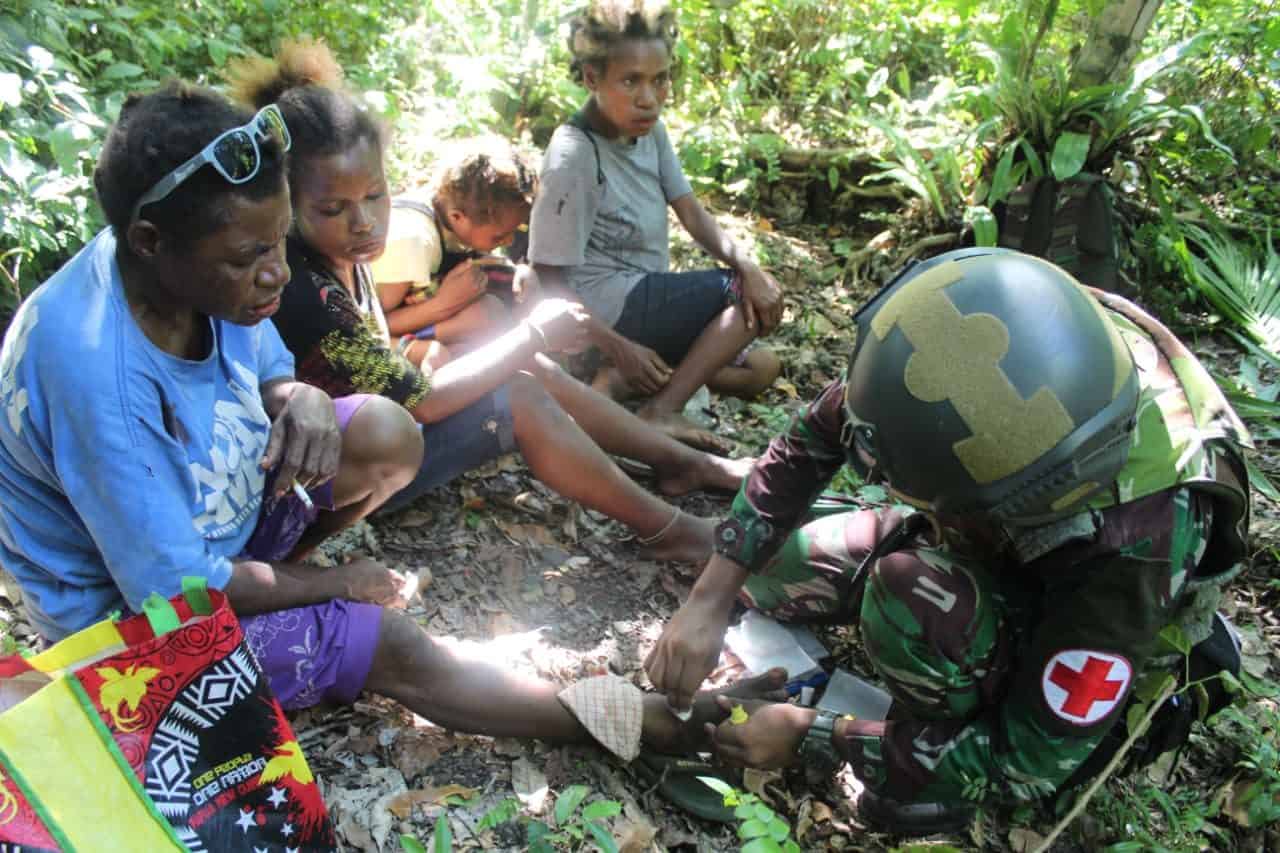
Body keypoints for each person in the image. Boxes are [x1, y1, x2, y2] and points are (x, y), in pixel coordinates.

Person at [0, 81, 777, 771]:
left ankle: (672, 501)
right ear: (148, 243)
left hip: (208, 528)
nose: (274, 272)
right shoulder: (93, 369)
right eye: (249, 258)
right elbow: (174, 590)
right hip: (131, 630)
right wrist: (334, 585)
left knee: (382, 433)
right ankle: (627, 720)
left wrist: (291, 392)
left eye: (280, 243)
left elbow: (268, 355)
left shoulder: (202, 265)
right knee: (388, 642)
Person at [644, 248, 1252, 832]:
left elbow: (1028, 764)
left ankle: (936, 754)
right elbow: (810, 443)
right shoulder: (958, 327)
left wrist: (817, 737)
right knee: (770, 568)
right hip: (1001, 537)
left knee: (908, 597)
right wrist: (709, 598)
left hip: (1068, 616)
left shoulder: (1138, 538)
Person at [229, 40, 750, 558]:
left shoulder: (345, 254)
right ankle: (670, 530)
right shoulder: (301, 291)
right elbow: (422, 402)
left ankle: (684, 463)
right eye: (333, 208)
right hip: (321, 484)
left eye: (374, 195)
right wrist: (532, 333)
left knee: (528, 368)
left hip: (373, 435)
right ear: (287, 203)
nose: (363, 221)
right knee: (519, 388)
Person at [529, 0, 783, 436]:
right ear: (592, 78)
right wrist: (619, 345)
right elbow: (548, 279)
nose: (648, 99)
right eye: (630, 81)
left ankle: (617, 383)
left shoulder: (649, 130)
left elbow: (691, 212)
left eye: (659, 80)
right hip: (597, 315)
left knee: (763, 367)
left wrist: (748, 264)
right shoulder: (573, 154)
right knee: (735, 295)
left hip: (640, 301)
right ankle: (660, 409)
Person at [371, 138, 540, 367]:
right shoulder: (413, 241)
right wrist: (444, 304)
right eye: (499, 237)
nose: (508, 241)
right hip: (369, 339)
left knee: (496, 312)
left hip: (419, 318)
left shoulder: (452, 213)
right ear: (458, 217)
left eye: (516, 231)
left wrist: (516, 271)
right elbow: (373, 325)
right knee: (483, 322)